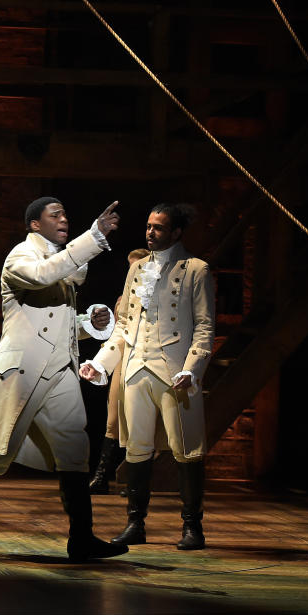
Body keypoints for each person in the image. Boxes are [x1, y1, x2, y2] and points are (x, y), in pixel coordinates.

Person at [0, 196, 128, 561]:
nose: (63, 218)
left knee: (75, 450)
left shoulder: (61, 265)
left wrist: (90, 324)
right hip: (23, 373)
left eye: (65, 213)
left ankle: (82, 538)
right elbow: (44, 275)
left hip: (60, 370)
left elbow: (57, 326)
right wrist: (93, 237)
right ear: (34, 224)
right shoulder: (20, 257)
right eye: (54, 214)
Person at [80, 203, 215, 550]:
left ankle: (192, 527)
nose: (150, 232)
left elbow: (204, 325)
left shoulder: (196, 270)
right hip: (137, 368)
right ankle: (135, 524)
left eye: (158, 227)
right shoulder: (138, 268)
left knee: (187, 449)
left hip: (175, 371)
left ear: (177, 232)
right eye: (148, 225)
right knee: (137, 449)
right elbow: (124, 324)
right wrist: (102, 362)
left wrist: (193, 367)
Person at [89, 247, 150, 495]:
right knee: (112, 421)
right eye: (129, 267)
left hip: (143, 362)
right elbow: (117, 334)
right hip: (121, 363)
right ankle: (102, 476)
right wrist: (103, 364)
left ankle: (133, 479)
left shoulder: (153, 295)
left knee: (139, 424)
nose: (131, 272)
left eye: (137, 266)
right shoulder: (123, 298)